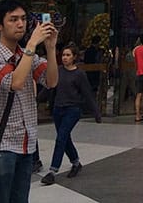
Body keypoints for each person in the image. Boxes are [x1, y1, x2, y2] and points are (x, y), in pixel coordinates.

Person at [0, 0, 58, 203]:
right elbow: (16, 82)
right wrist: (32, 44)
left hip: (26, 144)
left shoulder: (26, 56)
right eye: (13, 20)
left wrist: (50, 49)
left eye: (23, 19)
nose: (20, 24)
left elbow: (51, 81)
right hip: (0, 145)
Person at [41, 43, 101, 185]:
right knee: (65, 138)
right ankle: (76, 162)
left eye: (68, 55)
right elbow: (50, 86)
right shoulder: (58, 70)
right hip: (58, 109)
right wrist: (37, 99)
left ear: (74, 57)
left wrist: (96, 112)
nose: (65, 58)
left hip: (72, 110)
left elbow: (87, 94)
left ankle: (52, 171)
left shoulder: (79, 74)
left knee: (61, 138)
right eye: (63, 55)